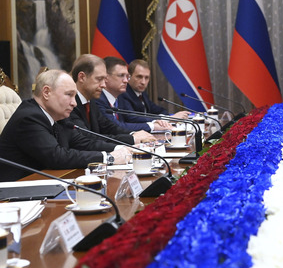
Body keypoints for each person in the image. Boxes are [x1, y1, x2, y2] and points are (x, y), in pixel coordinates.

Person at [0, 70, 130, 181]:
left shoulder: (58, 116)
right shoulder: (29, 117)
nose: (74, 103)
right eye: (69, 95)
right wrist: (109, 158)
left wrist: (124, 148)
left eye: (75, 96)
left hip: (45, 182)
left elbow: (84, 142)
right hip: (16, 192)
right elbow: (57, 157)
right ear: (46, 92)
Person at [69, 54, 155, 144]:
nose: (103, 84)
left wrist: (134, 134)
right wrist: (131, 139)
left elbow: (108, 127)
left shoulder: (91, 101)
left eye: (104, 79)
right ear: (82, 77)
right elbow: (88, 138)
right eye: (99, 79)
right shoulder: (71, 103)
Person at [96, 57, 172, 132]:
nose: (126, 81)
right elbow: (115, 126)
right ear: (106, 77)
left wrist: (156, 122)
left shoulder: (118, 98)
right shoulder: (98, 99)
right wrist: (152, 126)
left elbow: (128, 120)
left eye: (127, 76)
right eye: (121, 75)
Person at [119, 59, 190, 123]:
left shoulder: (142, 93)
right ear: (128, 76)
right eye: (139, 77)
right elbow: (134, 118)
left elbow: (159, 110)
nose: (143, 82)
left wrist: (167, 118)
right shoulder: (123, 94)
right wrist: (168, 118)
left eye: (146, 78)